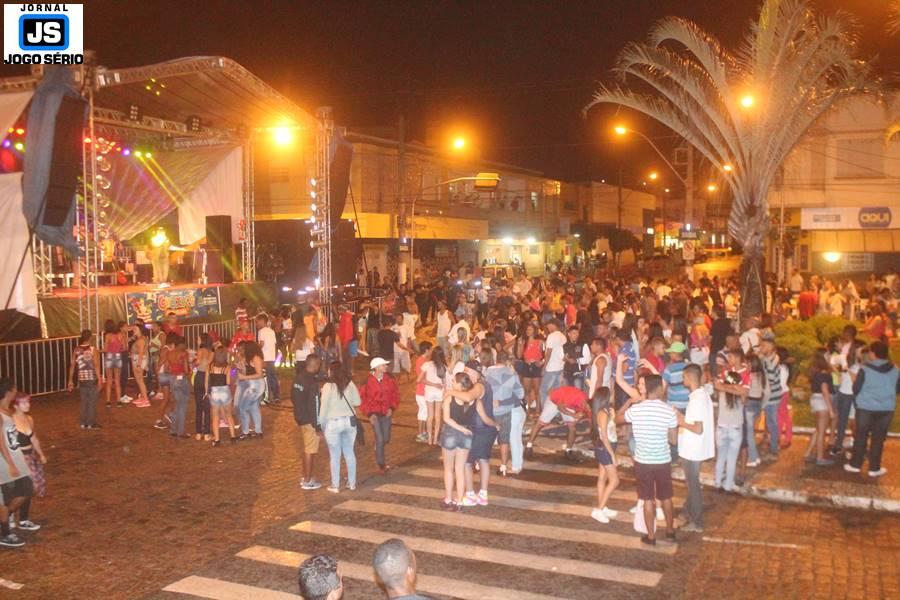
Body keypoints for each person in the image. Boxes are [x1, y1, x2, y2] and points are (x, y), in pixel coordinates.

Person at [615, 356, 679, 546]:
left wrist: (626, 407)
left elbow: (618, 420)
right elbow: (674, 440)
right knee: (666, 497)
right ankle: (669, 530)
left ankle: (651, 536)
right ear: (658, 389)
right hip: (662, 460)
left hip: (643, 460)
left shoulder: (637, 410)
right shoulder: (668, 411)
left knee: (648, 499)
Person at [845, 341, 898, 478]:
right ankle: (874, 468)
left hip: (865, 408)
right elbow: (897, 389)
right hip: (886, 409)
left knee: (861, 436)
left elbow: (856, 388)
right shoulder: (896, 369)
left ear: (873, 354)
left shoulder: (865, 369)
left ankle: (855, 465)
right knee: (878, 439)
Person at [453, 357, 500, 506]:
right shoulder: (484, 385)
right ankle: (483, 494)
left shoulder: (478, 386)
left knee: (467, 462)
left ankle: (470, 494)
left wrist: (450, 393)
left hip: (479, 430)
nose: (465, 374)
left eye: (467, 371)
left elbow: (468, 397)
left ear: (475, 373)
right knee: (483, 460)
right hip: (485, 429)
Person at [678, 364, 715, 533]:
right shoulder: (702, 395)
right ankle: (687, 511)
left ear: (689, 377)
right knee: (692, 484)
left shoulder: (697, 399)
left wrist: (681, 420)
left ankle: (697, 522)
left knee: (693, 485)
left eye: (683, 377)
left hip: (692, 449)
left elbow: (698, 428)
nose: (682, 380)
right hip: (696, 448)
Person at [0, 379, 33, 547]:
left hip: (14, 456)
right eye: (14, 390)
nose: (15, 392)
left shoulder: (7, 411)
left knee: (26, 488)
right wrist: (10, 463)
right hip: (6, 460)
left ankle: (3, 523)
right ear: (8, 392)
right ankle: (5, 532)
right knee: (6, 496)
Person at [319, 361, 360, 493]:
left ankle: (335, 485)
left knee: (335, 455)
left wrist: (321, 424)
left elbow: (323, 408)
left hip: (333, 423)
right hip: (349, 421)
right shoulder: (350, 384)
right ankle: (352, 483)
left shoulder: (328, 386)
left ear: (332, 371)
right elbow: (357, 402)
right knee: (349, 452)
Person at [525, 382, 590, 460]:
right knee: (540, 423)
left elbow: (588, 419)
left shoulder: (587, 405)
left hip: (566, 404)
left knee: (572, 428)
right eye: (587, 408)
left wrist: (577, 418)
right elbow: (560, 407)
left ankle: (568, 450)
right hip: (554, 400)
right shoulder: (576, 398)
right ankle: (528, 446)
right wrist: (573, 415)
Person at [8, 395, 45, 532]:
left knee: (30, 489)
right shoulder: (10, 421)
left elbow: (34, 439)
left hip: (30, 456)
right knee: (26, 488)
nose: (28, 404)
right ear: (16, 405)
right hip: (19, 457)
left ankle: (22, 519)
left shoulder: (29, 419)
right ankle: (11, 514)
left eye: (28, 402)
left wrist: (40, 454)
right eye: (24, 402)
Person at [440, 372, 476, 511]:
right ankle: (460, 501)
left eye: (454, 381)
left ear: (460, 384)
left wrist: (460, 429)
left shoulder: (450, 397)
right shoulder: (472, 399)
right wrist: (464, 430)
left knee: (448, 469)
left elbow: (447, 419)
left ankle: (448, 499)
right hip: (466, 434)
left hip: (450, 433)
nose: (452, 383)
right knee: (460, 469)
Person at [713, 350, 748, 491]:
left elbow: (718, 385)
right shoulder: (740, 396)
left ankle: (717, 482)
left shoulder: (722, 393)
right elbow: (744, 393)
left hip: (721, 427)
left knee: (721, 456)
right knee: (732, 458)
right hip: (735, 428)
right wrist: (735, 387)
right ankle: (728, 486)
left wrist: (724, 386)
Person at [485, 351, 524, 477]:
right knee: (506, 440)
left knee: (484, 438)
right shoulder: (511, 374)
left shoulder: (487, 372)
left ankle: (479, 464)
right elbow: (520, 394)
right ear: (507, 360)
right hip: (506, 411)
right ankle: (503, 466)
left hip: (488, 411)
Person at [360, 357, 400, 475]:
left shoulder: (390, 379)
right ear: (376, 367)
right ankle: (381, 464)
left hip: (386, 413)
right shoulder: (367, 381)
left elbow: (396, 394)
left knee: (386, 438)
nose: (386, 367)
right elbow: (362, 399)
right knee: (380, 438)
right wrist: (369, 414)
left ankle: (379, 447)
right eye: (383, 365)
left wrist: (392, 408)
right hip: (374, 414)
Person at [292, 354, 323, 490]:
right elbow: (314, 405)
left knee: (306, 449)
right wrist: (318, 427)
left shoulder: (298, 378)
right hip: (309, 420)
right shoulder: (312, 383)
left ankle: (306, 476)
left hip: (300, 417)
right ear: (315, 365)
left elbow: (293, 396)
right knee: (310, 450)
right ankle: (308, 480)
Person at [591, 386, 620, 524]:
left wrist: (614, 416)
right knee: (614, 481)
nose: (614, 395)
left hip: (605, 447)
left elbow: (610, 429)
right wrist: (612, 455)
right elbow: (604, 436)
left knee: (602, 477)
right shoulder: (603, 413)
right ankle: (598, 509)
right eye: (611, 394)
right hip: (605, 448)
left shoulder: (607, 411)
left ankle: (603, 506)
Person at [68, 329, 103, 429]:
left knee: (84, 401)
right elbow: (96, 365)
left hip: (81, 378)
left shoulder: (76, 350)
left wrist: (70, 380)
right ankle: (91, 422)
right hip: (92, 377)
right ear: (90, 337)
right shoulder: (93, 349)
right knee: (92, 400)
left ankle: (83, 422)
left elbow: (72, 365)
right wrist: (100, 379)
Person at [805, 349, 835, 466]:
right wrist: (831, 409)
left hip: (816, 400)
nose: (829, 356)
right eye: (827, 354)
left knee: (818, 429)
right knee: (822, 431)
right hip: (823, 401)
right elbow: (825, 390)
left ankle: (808, 453)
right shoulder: (824, 373)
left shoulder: (815, 371)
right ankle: (820, 457)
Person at [206, 349, 236, 446]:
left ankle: (217, 440)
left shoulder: (209, 366)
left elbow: (206, 381)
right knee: (229, 415)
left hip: (214, 391)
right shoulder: (227, 367)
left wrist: (207, 392)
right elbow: (228, 382)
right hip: (225, 391)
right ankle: (233, 437)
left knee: (215, 417)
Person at [419, 346, 449, 446]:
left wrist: (432, 384)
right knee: (437, 416)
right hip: (439, 392)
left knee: (430, 415)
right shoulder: (444, 367)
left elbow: (419, 380)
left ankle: (430, 439)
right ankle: (436, 438)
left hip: (429, 391)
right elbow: (445, 383)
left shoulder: (427, 364)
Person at [236, 341, 266, 439]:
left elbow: (260, 374)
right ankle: (258, 431)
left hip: (256, 386)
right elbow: (248, 372)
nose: (243, 350)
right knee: (254, 407)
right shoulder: (249, 358)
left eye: (245, 348)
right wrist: (241, 368)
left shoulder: (256, 358)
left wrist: (244, 377)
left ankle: (245, 432)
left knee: (243, 408)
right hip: (253, 385)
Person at [166, 336, 192, 439]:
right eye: (185, 344)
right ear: (181, 344)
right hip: (181, 379)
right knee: (182, 406)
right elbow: (186, 370)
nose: (186, 346)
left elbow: (167, 368)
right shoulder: (183, 353)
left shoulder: (169, 353)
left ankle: (173, 429)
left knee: (177, 405)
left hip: (172, 378)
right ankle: (180, 431)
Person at [538, 319, 566, 411]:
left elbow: (548, 352)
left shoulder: (551, 336)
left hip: (551, 368)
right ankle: (556, 412)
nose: (547, 328)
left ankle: (545, 412)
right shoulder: (563, 336)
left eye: (548, 326)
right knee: (556, 391)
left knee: (543, 390)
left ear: (553, 325)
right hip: (561, 367)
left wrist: (544, 367)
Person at [256, 313, 281, 405]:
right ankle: (276, 396)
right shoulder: (271, 331)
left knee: (265, 379)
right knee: (273, 377)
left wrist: (255, 349)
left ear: (262, 321)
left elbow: (261, 344)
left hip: (264, 358)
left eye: (257, 322)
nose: (256, 324)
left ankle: (266, 398)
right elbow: (274, 345)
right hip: (271, 357)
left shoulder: (261, 332)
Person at [193, 333, 213, 441]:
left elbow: (198, 362)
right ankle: (206, 433)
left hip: (199, 376)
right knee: (207, 406)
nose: (197, 340)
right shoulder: (211, 352)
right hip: (208, 377)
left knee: (199, 406)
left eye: (198, 338)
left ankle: (198, 432)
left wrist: (193, 362)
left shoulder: (200, 350)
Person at [102, 319, 124, 408]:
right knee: (117, 380)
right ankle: (119, 400)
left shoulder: (108, 335)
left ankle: (108, 401)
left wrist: (97, 351)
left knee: (109, 380)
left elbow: (106, 349)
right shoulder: (121, 335)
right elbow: (123, 348)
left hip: (109, 357)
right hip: (118, 357)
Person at [413, 342, 432, 443]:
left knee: (424, 412)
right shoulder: (422, 361)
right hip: (421, 391)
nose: (431, 351)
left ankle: (423, 432)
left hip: (423, 391)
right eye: (430, 349)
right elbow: (421, 378)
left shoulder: (422, 360)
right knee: (423, 413)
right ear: (427, 350)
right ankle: (420, 433)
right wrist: (434, 384)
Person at [129, 323, 151, 407]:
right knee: (139, 380)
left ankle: (145, 400)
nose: (133, 330)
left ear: (140, 330)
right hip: (137, 359)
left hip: (138, 360)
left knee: (140, 380)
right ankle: (143, 397)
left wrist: (139, 364)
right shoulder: (141, 338)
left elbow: (141, 353)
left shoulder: (141, 340)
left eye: (135, 329)